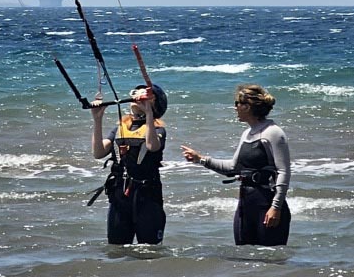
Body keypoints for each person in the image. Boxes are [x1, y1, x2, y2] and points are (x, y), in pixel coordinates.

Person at [182, 83, 291, 247]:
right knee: (244, 257)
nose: (235, 108)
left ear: (247, 106)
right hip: (246, 203)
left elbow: (283, 171)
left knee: (270, 260)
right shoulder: (247, 133)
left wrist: (276, 207)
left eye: (236, 104)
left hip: (267, 203)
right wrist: (201, 159)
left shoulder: (273, 132)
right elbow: (233, 168)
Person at [89, 83, 168, 245]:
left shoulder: (157, 129)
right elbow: (98, 152)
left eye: (144, 95)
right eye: (136, 92)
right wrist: (97, 119)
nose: (137, 96)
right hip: (120, 194)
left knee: (149, 249)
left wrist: (148, 113)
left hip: (147, 196)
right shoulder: (120, 127)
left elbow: (152, 146)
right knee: (116, 248)